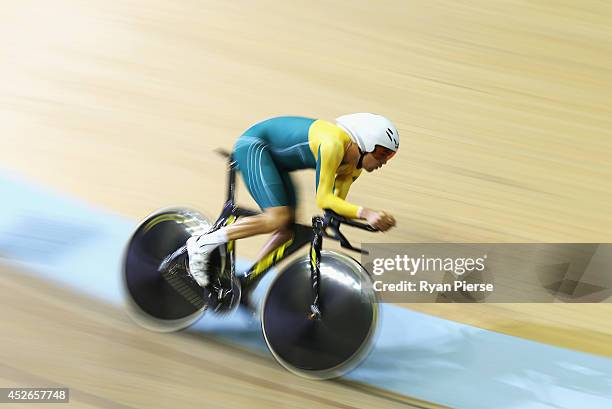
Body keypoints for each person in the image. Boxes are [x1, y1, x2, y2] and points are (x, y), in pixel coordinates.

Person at [186, 113, 399, 287]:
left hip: (276, 162)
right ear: (364, 143)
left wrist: (373, 220)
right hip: (254, 147)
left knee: (287, 231)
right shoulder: (333, 143)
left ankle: (246, 282)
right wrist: (366, 213)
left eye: (390, 156)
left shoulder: (354, 169)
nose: (384, 161)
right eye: (382, 153)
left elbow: (335, 207)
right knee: (277, 219)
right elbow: (324, 199)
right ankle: (201, 243)